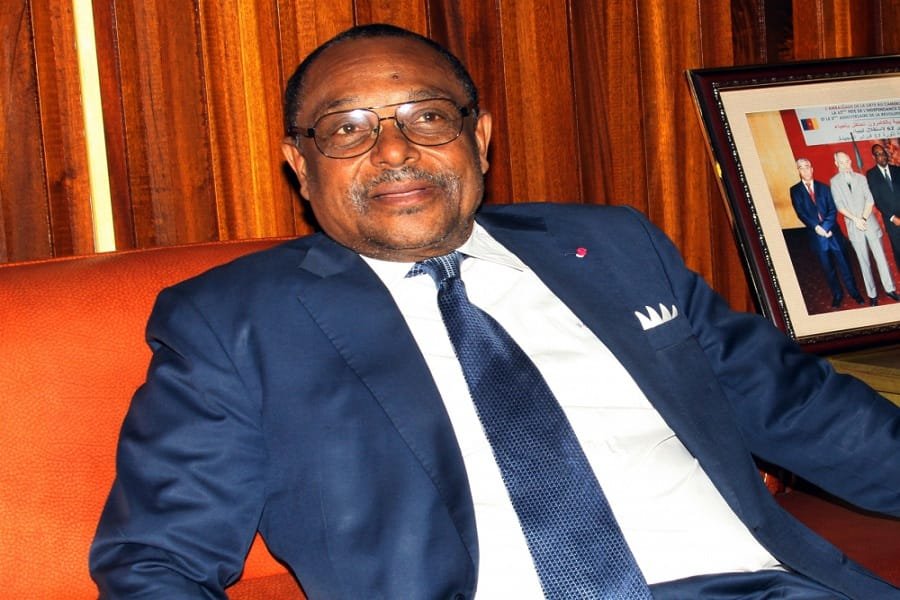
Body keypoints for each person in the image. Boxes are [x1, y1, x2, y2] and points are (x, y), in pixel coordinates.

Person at [90, 24, 900, 599]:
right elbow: (159, 561)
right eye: (347, 129)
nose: (395, 150)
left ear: (478, 137)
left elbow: (807, 412)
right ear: (300, 166)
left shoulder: (614, 247)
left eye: (427, 117)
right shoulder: (233, 322)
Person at [789, 158, 863, 308]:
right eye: (801, 168)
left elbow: (832, 209)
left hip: (833, 234)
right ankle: (837, 294)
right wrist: (818, 228)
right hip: (817, 236)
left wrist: (826, 228)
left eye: (807, 166)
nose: (805, 170)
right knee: (828, 268)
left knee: (845, 265)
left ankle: (854, 292)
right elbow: (801, 213)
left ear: (812, 168)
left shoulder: (824, 187)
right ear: (798, 171)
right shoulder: (795, 191)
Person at [830, 150, 899, 306]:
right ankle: (872, 294)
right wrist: (856, 220)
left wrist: (863, 218)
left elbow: (870, 199)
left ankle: (890, 289)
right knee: (864, 262)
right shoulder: (834, 182)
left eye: (847, 161)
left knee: (881, 259)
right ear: (837, 164)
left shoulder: (861, 178)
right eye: (842, 162)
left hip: (869, 223)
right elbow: (839, 205)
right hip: (854, 226)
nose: (846, 165)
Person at [866, 143, 900, 270]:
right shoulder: (871, 175)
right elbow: (877, 200)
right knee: (898, 250)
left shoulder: (897, 170)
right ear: (874, 157)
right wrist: (892, 217)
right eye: (878, 154)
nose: (882, 156)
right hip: (891, 221)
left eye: (883, 153)